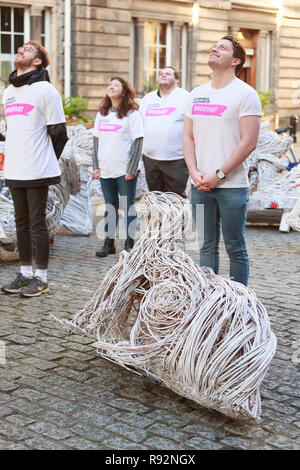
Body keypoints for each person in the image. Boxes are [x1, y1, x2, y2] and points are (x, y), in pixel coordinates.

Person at [183, 35, 262, 286]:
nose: (215, 48)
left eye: (223, 47)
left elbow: (248, 142)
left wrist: (218, 174)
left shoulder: (245, 94)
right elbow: (187, 137)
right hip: (200, 186)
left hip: (232, 186)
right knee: (206, 247)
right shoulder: (197, 93)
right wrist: (194, 172)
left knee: (235, 247)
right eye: (214, 45)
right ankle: (209, 299)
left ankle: (239, 304)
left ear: (235, 61)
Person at [1, 40, 68, 297]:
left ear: (38, 61)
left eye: (27, 49)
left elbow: (59, 133)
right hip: (15, 167)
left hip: (38, 168)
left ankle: (41, 278)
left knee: (37, 223)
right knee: (20, 222)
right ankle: (25, 273)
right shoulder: (9, 92)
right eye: (20, 48)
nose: (20, 50)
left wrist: (45, 159)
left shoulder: (46, 90)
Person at [93, 76, 144, 257]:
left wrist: (131, 168)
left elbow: (137, 142)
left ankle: (130, 242)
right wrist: (96, 165)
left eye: (115, 85)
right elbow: (96, 141)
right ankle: (109, 242)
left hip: (125, 170)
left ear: (123, 92)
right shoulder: (102, 114)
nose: (111, 87)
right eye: (110, 84)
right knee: (110, 206)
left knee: (128, 206)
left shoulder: (132, 115)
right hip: (106, 169)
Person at [140, 66, 190, 197]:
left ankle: (175, 219)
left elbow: (193, 127)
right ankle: (159, 219)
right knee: (155, 199)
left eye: (168, 74)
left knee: (175, 200)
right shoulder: (148, 99)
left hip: (176, 160)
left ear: (177, 80)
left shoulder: (185, 97)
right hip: (150, 159)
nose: (163, 75)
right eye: (161, 73)